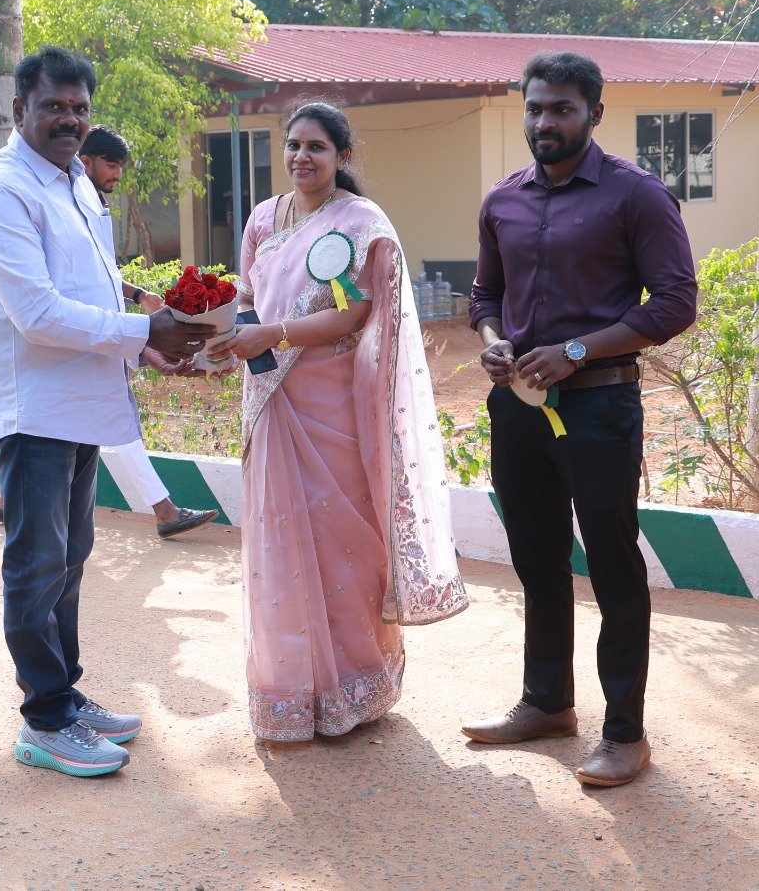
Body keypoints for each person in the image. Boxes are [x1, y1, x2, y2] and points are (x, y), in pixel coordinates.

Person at [0, 47, 214, 777]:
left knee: (70, 557)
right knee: (36, 562)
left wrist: (147, 348)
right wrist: (143, 330)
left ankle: (64, 694)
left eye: (79, 108)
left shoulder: (74, 182)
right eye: (53, 107)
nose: (69, 120)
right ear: (19, 110)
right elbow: (37, 313)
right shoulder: (0, 193)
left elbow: (92, 288)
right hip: (34, 407)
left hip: (82, 401)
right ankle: (44, 720)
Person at [461, 51, 697, 788]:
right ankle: (547, 704)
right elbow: (484, 297)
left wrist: (574, 351)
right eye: (535, 108)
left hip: (599, 403)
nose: (545, 122)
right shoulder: (503, 200)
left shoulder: (636, 196)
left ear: (594, 112)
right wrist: (495, 342)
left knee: (613, 564)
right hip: (518, 405)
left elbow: (674, 303)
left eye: (561, 108)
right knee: (536, 557)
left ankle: (625, 734)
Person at [204, 102, 467, 742]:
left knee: (343, 543)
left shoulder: (359, 222)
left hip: (333, 405)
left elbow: (354, 314)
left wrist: (274, 332)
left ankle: (355, 685)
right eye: (293, 144)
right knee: (279, 540)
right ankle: (291, 692)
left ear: (342, 156)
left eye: (317, 147)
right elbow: (247, 299)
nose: (302, 157)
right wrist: (221, 339)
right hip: (271, 396)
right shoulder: (263, 218)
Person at [0, 125, 219, 540]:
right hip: (67, 346)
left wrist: (139, 301)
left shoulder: (90, 202)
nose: (117, 174)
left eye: (121, 166)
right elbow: (45, 302)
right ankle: (164, 510)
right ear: (85, 161)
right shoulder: (19, 194)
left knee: (112, 417)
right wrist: (145, 333)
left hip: (99, 336)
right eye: (111, 164)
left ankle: (8, 495)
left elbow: (100, 274)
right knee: (109, 421)